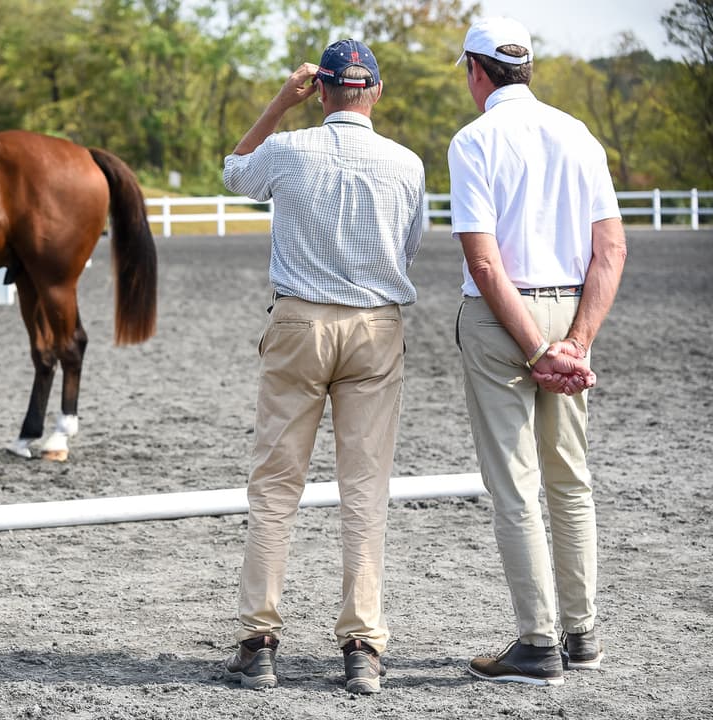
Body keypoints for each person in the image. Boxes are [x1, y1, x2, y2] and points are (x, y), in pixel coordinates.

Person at [220, 39, 425, 695]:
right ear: (376, 92)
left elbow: (234, 173)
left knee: (275, 486)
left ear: (322, 92)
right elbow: (409, 246)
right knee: (365, 489)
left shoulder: (288, 148)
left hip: (299, 322)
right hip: (376, 325)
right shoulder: (406, 163)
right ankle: (362, 644)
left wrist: (279, 103)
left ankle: (259, 641)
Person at [447, 17, 627, 686]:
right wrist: (575, 342)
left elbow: (485, 263)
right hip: (572, 310)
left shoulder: (473, 141)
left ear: (477, 70)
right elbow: (611, 248)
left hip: (504, 322)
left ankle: (538, 643)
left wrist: (536, 349)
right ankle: (583, 635)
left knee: (515, 484)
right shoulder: (579, 134)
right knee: (570, 479)